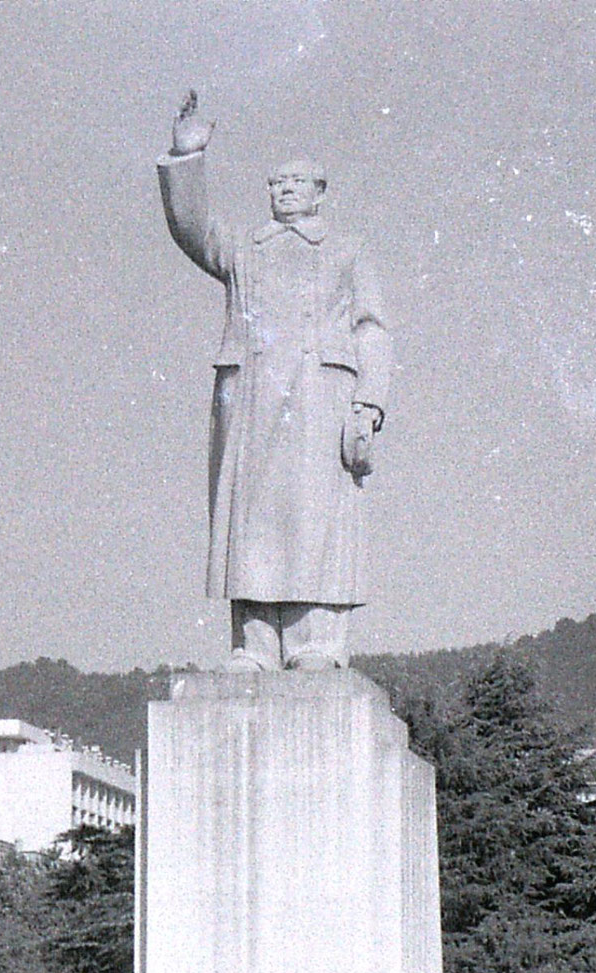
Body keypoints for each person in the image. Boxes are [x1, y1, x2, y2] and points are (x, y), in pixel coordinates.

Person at [157, 89, 395, 672]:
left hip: (322, 396)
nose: (284, 189)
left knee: (316, 519)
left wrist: (368, 403)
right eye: (275, 182)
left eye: (296, 181)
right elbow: (192, 230)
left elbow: (373, 328)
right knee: (252, 520)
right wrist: (187, 157)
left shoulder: (347, 250)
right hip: (254, 398)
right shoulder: (244, 249)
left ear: (320, 192)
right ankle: (255, 643)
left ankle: (318, 641)